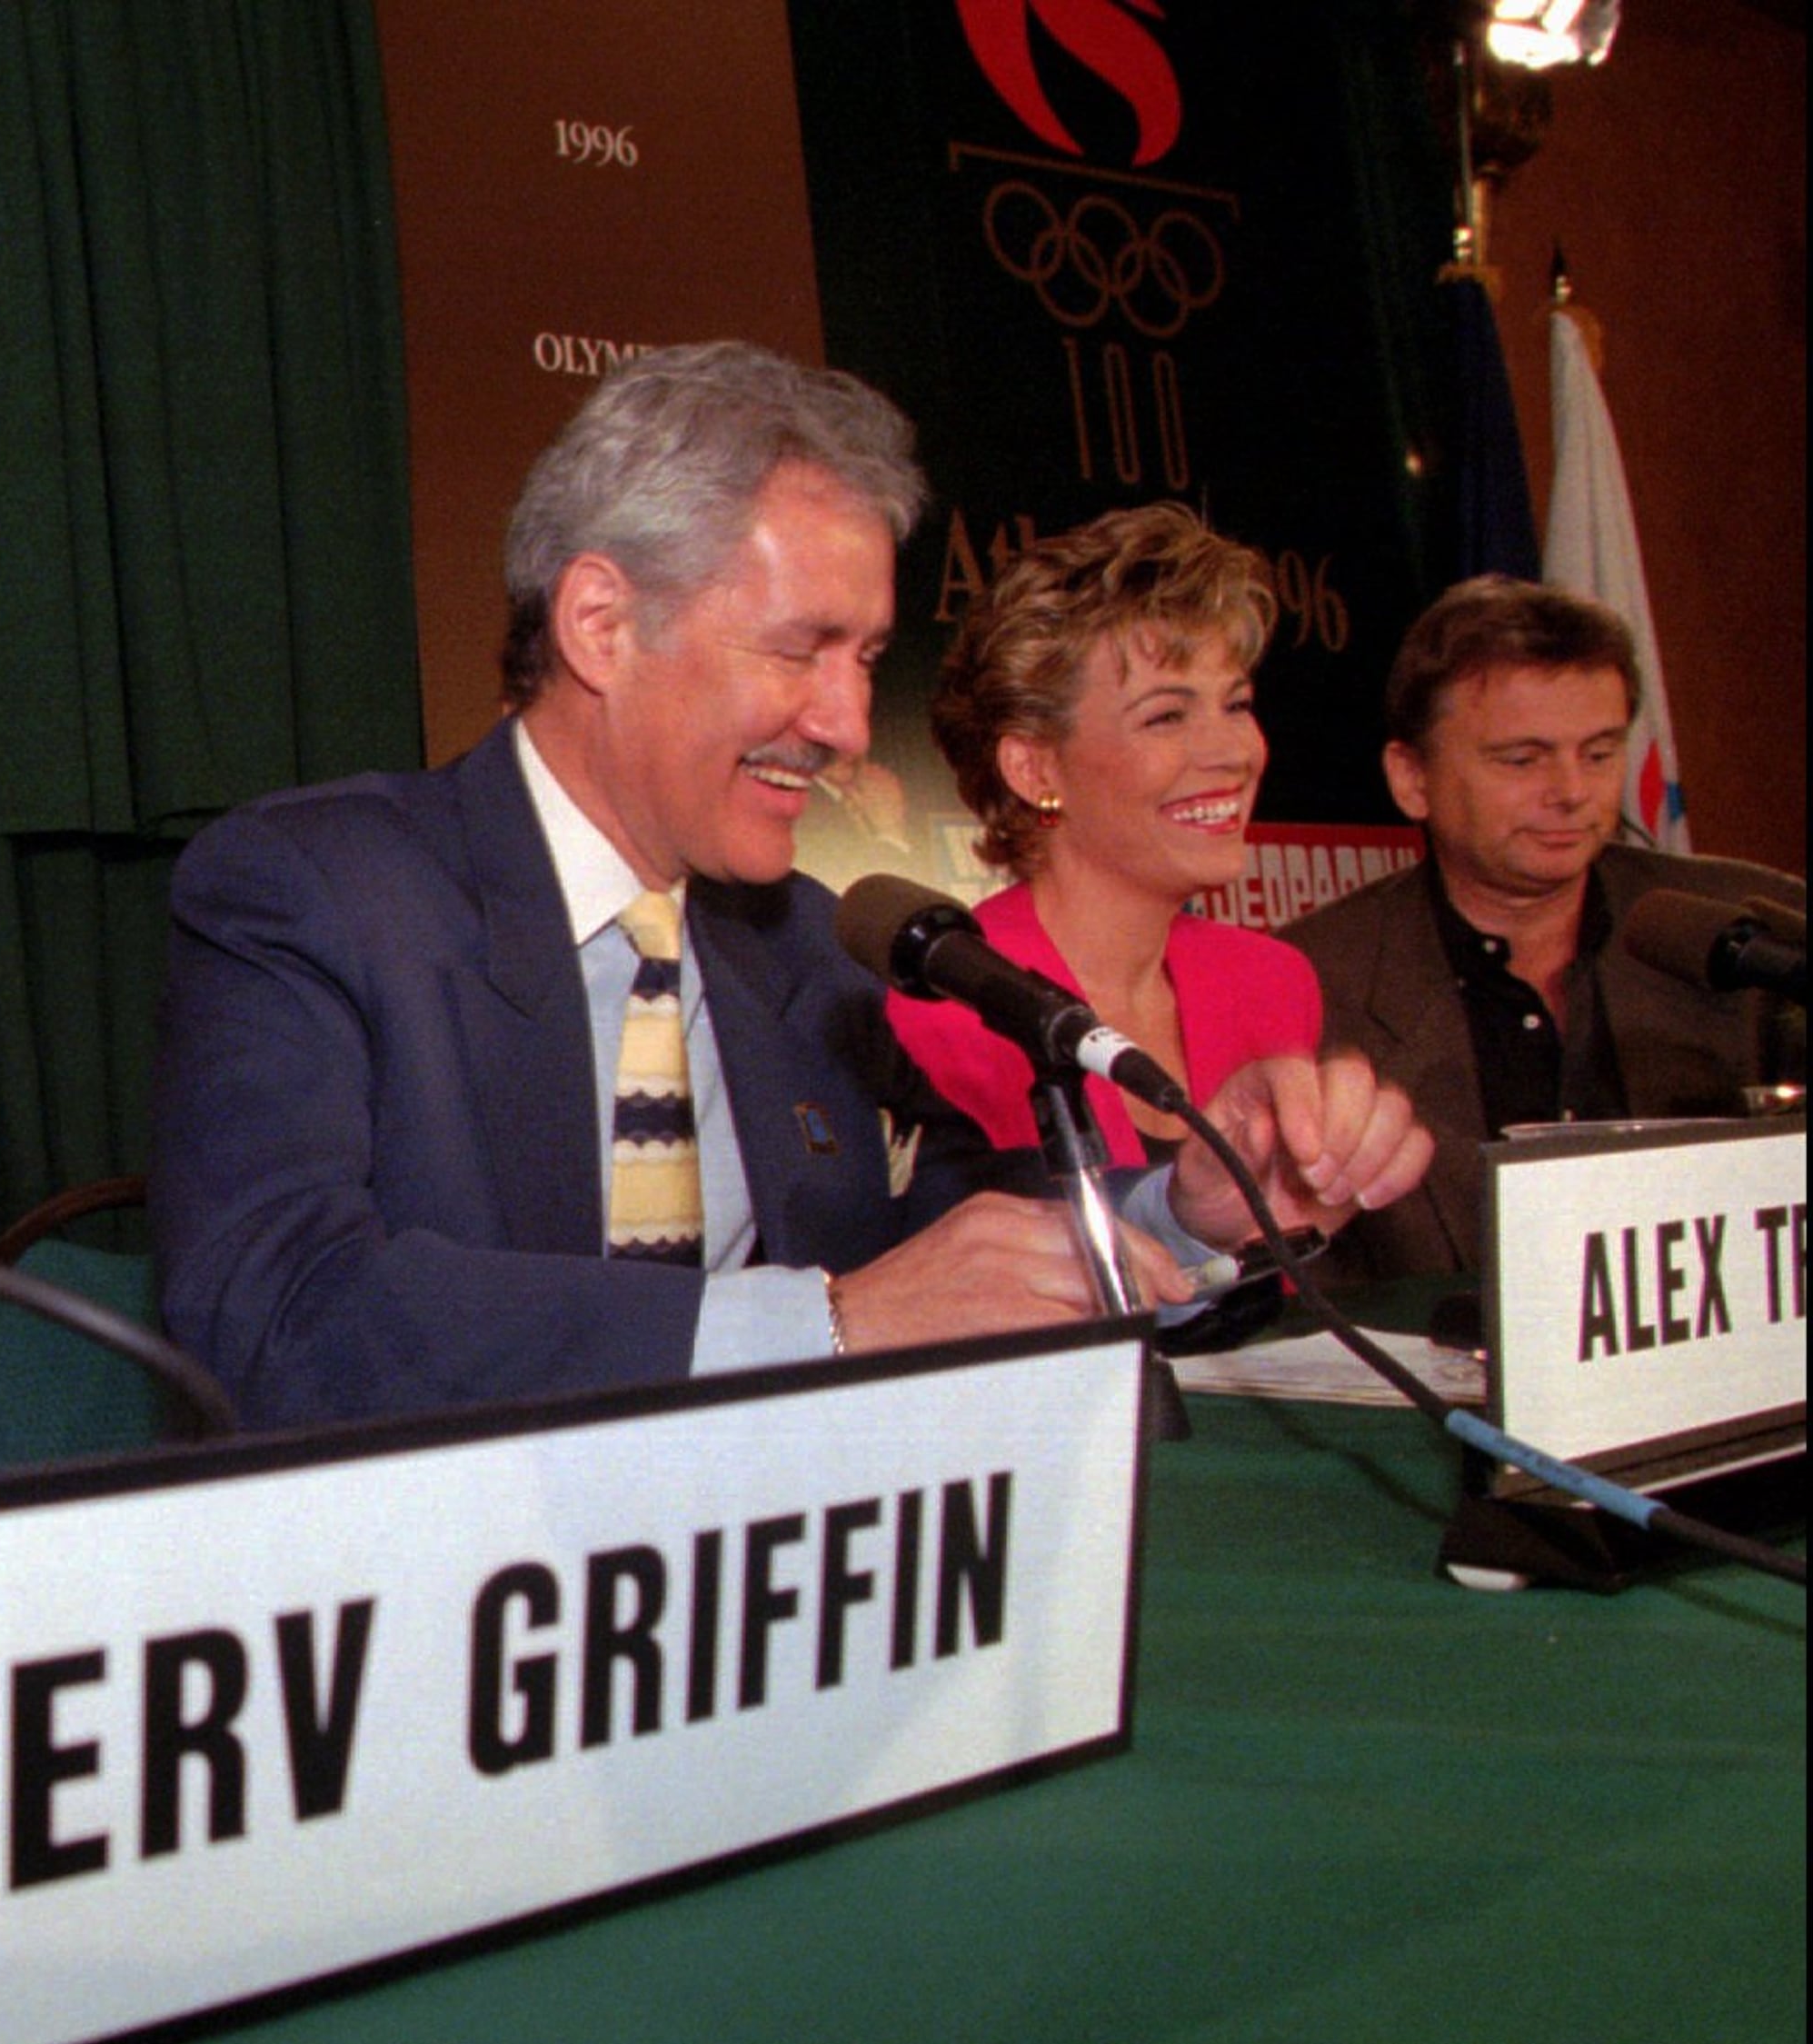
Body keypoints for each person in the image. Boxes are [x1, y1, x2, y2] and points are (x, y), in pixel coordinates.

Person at [151, 344, 1428, 1431]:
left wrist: (1183, 1201)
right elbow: (274, 1313)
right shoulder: (313, 890)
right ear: (602, 625)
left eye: (868, 656)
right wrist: (827, 1322)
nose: (851, 724)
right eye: (800, 649)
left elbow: (939, 1234)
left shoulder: (806, 944)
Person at [1284, 576, 1804, 1279]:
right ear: (1411, 777)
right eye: (1523, 760)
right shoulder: (1313, 980)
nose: (1572, 792)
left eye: (1598, 753)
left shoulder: (1749, 934)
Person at [894, 504, 1323, 1166]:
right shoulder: (942, 1010)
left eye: (1235, 704)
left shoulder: (1273, 984)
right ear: (1034, 767)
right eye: (1166, 717)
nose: (1233, 752)